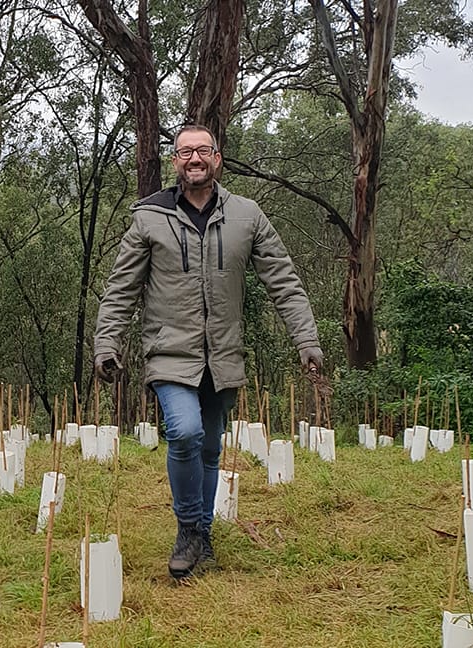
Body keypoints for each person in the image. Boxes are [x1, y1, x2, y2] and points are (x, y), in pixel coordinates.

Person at [93, 124, 323, 580]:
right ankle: (188, 530)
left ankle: (204, 533)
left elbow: (284, 282)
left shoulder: (247, 216)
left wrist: (307, 341)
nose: (194, 158)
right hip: (168, 352)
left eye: (203, 150)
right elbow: (121, 289)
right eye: (184, 152)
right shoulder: (148, 218)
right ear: (175, 161)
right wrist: (107, 343)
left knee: (211, 449)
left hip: (223, 356)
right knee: (184, 433)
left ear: (217, 158)